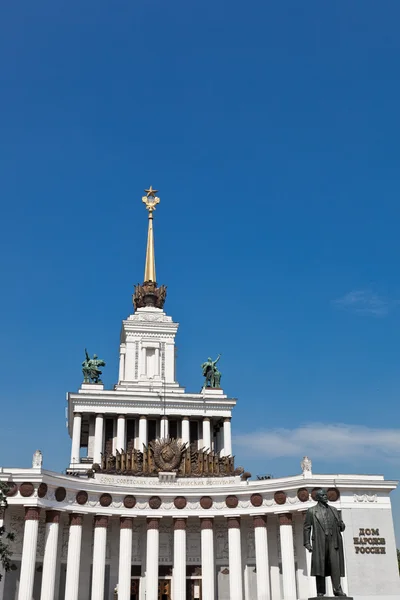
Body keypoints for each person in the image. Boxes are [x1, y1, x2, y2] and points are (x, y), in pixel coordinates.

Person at [303, 488, 347, 597]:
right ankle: (321, 591)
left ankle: (337, 589)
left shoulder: (333, 510)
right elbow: (307, 528)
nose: (326, 497)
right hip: (319, 542)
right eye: (323, 495)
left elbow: (341, 526)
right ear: (317, 498)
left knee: (335, 566)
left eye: (326, 495)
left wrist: (341, 525)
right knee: (320, 567)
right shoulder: (312, 511)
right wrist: (307, 543)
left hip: (333, 542)